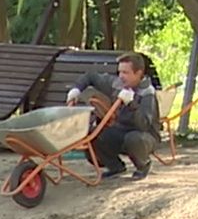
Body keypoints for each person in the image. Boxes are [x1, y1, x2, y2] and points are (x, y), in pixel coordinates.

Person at [65, 51, 161, 180]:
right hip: (121, 130)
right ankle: (116, 167)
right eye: (120, 72)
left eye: (125, 73)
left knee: (134, 139)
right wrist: (76, 89)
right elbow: (91, 76)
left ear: (138, 74)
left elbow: (143, 124)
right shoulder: (117, 84)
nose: (121, 76)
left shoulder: (147, 93)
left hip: (144, 135)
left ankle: (143, 165)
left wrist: (131, 103)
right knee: (94, 135)